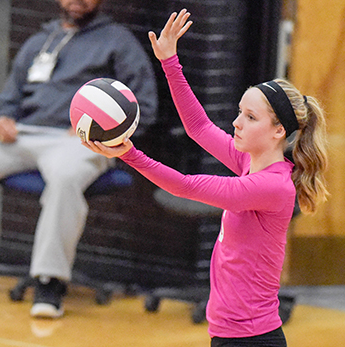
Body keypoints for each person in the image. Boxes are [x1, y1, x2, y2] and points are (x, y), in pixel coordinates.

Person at [83, 9, 328, 347]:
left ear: (278, 131)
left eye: (251, 116)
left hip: (252, 339)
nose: (237, 122)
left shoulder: (272, 186)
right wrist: (170, 61)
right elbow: (199, 127)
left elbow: (186, 185)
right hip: (229, 333)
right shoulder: (249, 162)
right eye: (240, 112)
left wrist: (128, 154)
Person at [0, 0, 157, 318]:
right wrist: (3, 117)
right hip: (25, 135)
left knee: (65, 178)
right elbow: (10, 97)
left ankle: (49, 282)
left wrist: (100, 130)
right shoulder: (38, 41)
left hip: (81, 142)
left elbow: (144, 106)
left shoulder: (118, 41)